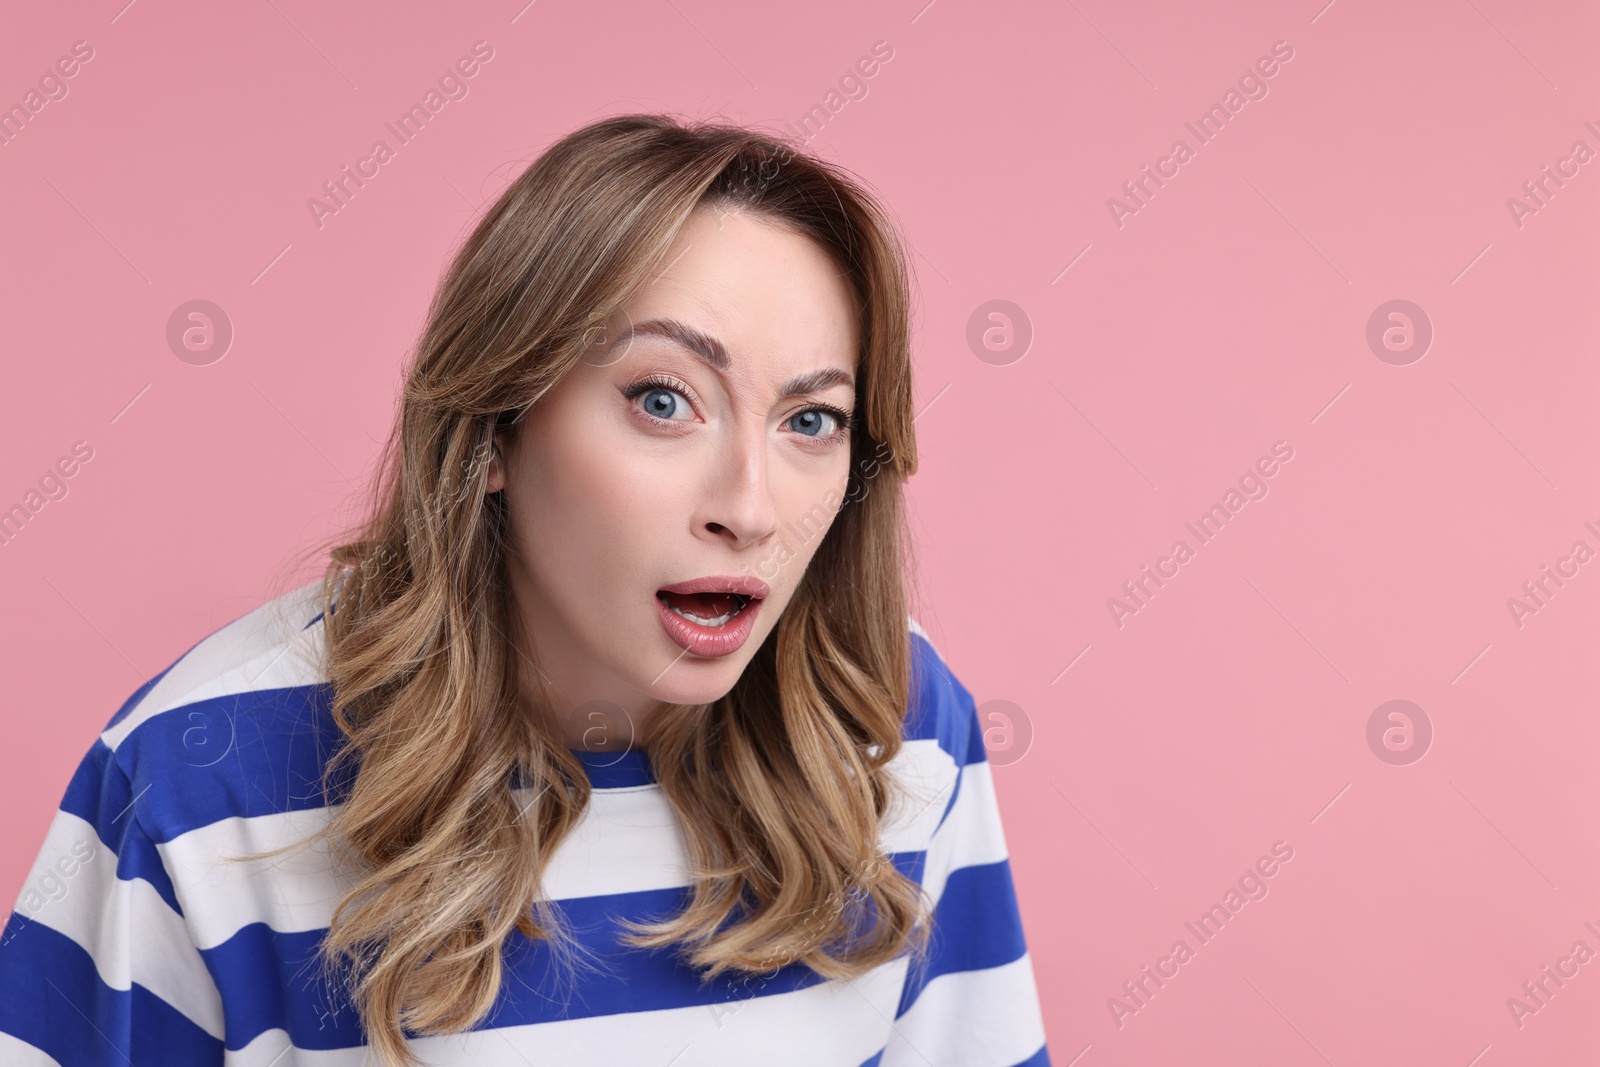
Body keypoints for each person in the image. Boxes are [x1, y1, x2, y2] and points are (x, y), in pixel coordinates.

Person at [0, 113, 1050, 1066]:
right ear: (498, 426)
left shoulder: (897, 718)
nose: (752, 506)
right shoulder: (196, 772)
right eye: (662, 399)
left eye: (810, 419)